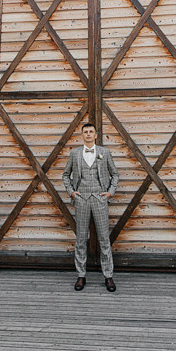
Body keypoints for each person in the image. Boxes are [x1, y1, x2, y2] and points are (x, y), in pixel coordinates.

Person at [62, 120, 120, 292]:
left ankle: (108, 276)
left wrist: (110, 192)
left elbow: (115, 174)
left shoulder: (104, 152)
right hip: (81, 199)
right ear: (82, 135)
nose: (88, 134)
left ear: (96, 135)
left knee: (104, 239)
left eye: (91, 132)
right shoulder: (74, 153)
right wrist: (72, 192)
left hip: (100, 199)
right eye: (85, 132)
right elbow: (65, 175)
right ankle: (81, 275)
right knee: (81, 239)